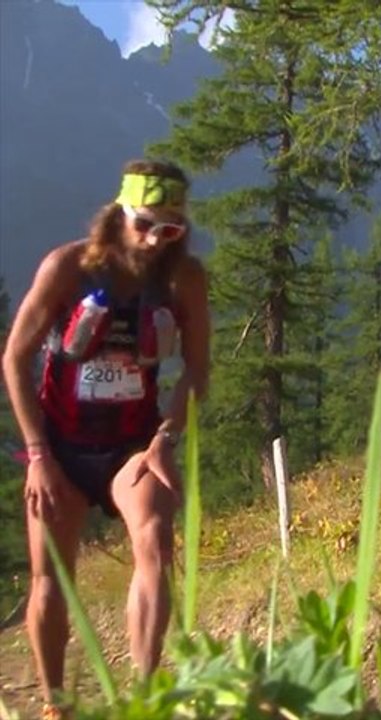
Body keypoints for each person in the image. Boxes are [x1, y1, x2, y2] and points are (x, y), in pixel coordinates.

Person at [0, 159, 210, 719]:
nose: (153, 238)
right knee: (50, 580)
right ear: (119, 212)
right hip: (60, 447)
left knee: (157, 537)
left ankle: (143, 696)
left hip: (132, 446)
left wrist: (167, 435)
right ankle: (55, 705)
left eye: (170, 229)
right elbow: (15, 357)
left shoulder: (183, 280)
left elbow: (197, 369)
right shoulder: (68, 268)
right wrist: (38, 455)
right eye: (144, 222)